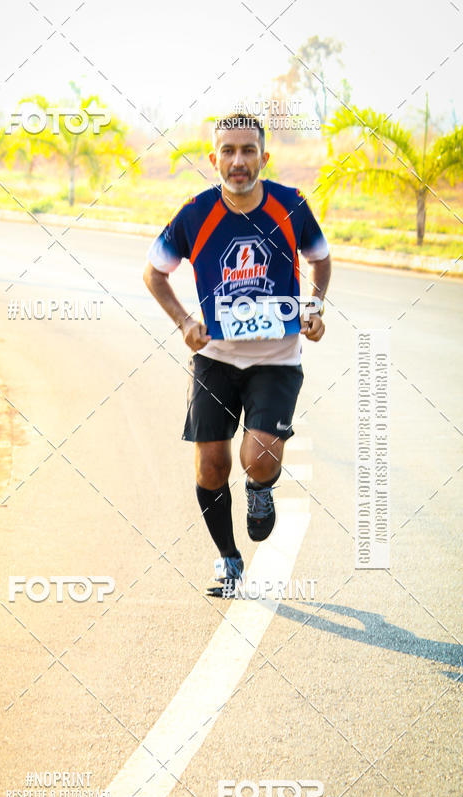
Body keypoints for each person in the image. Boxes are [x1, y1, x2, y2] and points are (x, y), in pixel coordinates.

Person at [143, 114, 331, 596]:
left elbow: (319, 258)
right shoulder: (195, 213)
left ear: (264, 158)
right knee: (210, 466)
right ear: (214, 159)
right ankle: (228, 560)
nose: (238, 161)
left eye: (248, 150)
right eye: (228, 151)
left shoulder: (291, 205)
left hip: (277, 357)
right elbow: (154, 273)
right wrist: (185, 322)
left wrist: (313, 308)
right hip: (216, 357)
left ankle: (261, 489)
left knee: (258, 458)